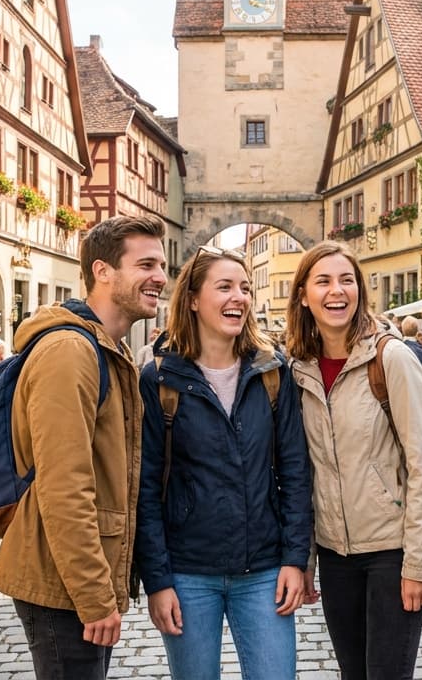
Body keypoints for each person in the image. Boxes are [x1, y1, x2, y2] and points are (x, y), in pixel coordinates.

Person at [0, 215, 165, 680]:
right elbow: (64, 485)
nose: (161, 278)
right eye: (146, 264)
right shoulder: (71, 351)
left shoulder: (106, 347)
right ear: (102, 272)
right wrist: (94, 597)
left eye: (162, 265)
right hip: (61, 584)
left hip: (74, 580)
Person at [136, 245, 312, 679]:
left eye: (245, 288)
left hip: (265, 571)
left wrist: (295, 559)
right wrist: (157, 581)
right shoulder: (160, 378)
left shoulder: (272, 371)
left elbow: (295, 471)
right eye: (225, 287)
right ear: (193, 298)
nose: (240, 297)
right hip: (189, 573)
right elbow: (144, 487)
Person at [285, 241, 422, 680]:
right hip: (336, 556)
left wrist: (419, 565)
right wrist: (309, 560)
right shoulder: (300, 369)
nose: (337, 291)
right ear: (303, 295)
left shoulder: (391, 358)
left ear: (359, 291)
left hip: (390, 553)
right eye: (324, 281)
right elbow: (306, 473)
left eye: (347, 280)